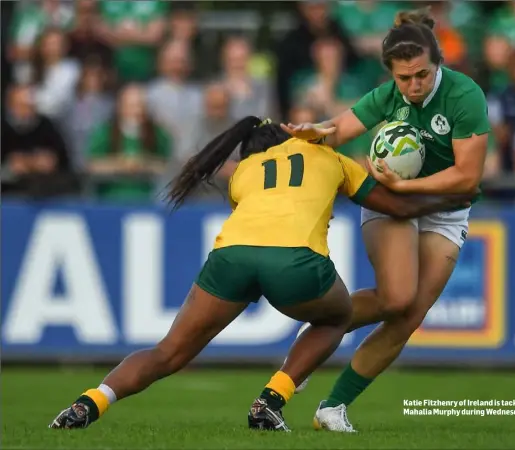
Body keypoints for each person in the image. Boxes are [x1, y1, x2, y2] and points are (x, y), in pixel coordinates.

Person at [48, 115, 472, 432]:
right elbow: (394, 207)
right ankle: (271, 399)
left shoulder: (243, 173)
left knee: (169, 352)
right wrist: (448, 199)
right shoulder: (330, 156)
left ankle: (91, 402)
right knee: (337, 318)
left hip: (230, 257)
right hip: (294, 260)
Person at [281, 8, 491, 432]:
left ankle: (332, 407)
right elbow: (340, 127)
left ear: (439, 64)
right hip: (392, 204)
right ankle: (308, 348)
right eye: (404, 78)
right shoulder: (388, 94)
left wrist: (406, 185)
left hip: (444, 209)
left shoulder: (465, 96)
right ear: (392, 74)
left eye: (422, 75)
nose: (413, 86)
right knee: (396, 298)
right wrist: (313, 131)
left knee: (410, 315)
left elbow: (468, 175)